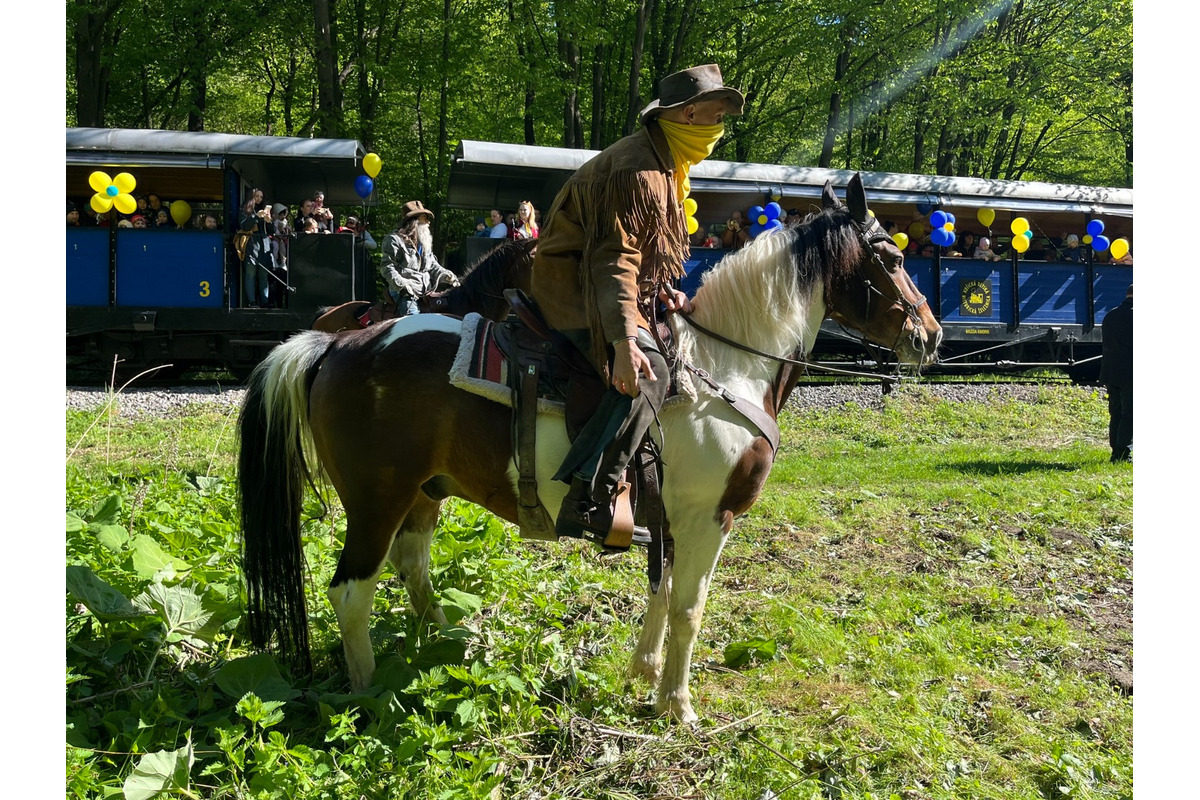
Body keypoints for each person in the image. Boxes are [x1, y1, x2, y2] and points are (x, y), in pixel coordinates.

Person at [529, 63, 744, 544]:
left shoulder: (664, 160)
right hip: (575, 288)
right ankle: (588, 496)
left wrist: (662, 287)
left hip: (600, 280)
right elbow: (614, 259)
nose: (719, 127)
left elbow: (643, 249)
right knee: (651, 371)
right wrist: (625, 341)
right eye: (716, 115)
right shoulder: (639, 169)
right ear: (689, 114)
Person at [379, 200, 460, 316]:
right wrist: (402, 285)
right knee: (414, 320)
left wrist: (447, 275)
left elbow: (432, 266)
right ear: (414, 221)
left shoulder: (423, 242)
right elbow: (387, 267)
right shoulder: (393, 240)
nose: (428, 222)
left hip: (426, 291)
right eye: (425, 218)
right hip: (404, 293)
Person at [1100, 284, 1133, 462]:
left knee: (1116, 413)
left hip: (1111, 371)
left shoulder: (1110, 315)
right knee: (1130, 414)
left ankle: (1115, 452)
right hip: (1131, 372)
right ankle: (1123, 453)